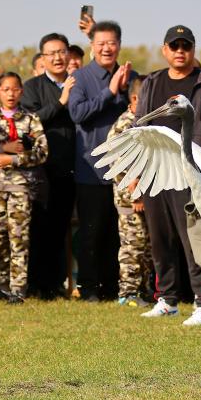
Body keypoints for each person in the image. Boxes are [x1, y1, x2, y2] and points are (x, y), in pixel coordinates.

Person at [135, 25, 201, 326]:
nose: (179, 51)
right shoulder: (152, 82)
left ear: (193, 50)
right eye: (174, 46)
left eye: (185, 46)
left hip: (192, 173)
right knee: (160, 238)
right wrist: (137, 171)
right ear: (164, 50)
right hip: (155, 170)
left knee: (195, 239)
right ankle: (167, 300)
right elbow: (140, 126)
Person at [66, 21, 137, 302]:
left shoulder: (132, 77)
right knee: (91, 232)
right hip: (91, 169)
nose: (107, 48)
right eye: (101, 43)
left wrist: (122, 88)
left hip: (125, 171)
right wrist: (109, 91)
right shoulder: (81, 78)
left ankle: (113, 287)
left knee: (117, 234)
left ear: (119, 44)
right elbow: (77, 113)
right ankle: (89, 287)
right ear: (92, 46)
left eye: (112, 43)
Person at [0, 72, 48, 303]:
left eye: (15, 89)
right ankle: (2, 287)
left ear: (21, 91)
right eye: (5, 89)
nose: (10, 93)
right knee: (0, 239)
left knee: (18, 238)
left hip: (20, 188)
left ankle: (18, 290)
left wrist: (14, 159)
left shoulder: (30, 119)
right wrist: (3, 147)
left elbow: (42, 152)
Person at [20, 33, 78, 299]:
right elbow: (30, 122)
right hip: (41, 170)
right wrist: (60, 102)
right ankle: (35, 283)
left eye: (62, 52)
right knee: (39, 228)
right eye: (51, 53)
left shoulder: (78, 84)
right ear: (42, 58)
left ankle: (55, 283)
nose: (57, 57)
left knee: (60, 227)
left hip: (71, 169)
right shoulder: (32, 87)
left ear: (69, 55)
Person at [108, 77, 153, 308]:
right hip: (131, 198)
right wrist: (136, 193)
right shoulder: (125, 125)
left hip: (150, 197)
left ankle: (144, 290)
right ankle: (128, 292)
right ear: (135, 99)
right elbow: (117, 162)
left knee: (147, 248)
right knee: (133, 245)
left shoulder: (148, 123)